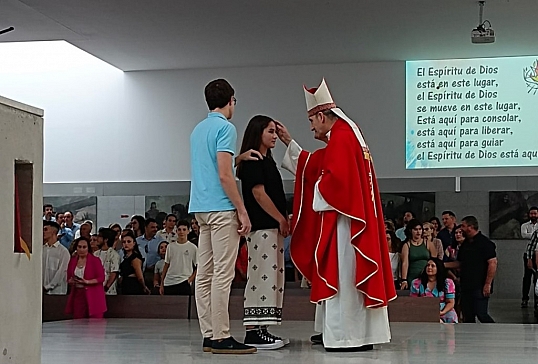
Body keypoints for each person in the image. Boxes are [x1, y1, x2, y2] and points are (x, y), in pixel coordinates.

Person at [276, 78, 396, 352]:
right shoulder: (346, 135)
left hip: (347, 225)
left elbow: (335, 182)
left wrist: (317, 188)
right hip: (352, 220)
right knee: (345, 276)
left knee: (344, 275)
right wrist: (290, 143)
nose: (311, 127)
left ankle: (346, 337)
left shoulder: (341, 137)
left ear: (321, 115)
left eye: (311, 121)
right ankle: (357, 334)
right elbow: (316, 164)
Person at [189, 79, 259, 354]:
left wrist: (237, 158)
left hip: (201, 208)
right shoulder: (226, 128)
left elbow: (213, 165)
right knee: (223, 274)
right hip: (220, 209)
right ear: (230, 100)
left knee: (204, 274)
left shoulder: (198, 130)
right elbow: (224, 174)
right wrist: (242, 210)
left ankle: (209, 334)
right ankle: (221, 335)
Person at [237, 115, 289, 349]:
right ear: (258, 133)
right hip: (262, 226)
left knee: (272, 277)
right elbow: (258, 194)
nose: (274, 136)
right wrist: (279, 217)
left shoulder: (267, 160)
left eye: (275, 132)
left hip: (272, 227)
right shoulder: (253, 160)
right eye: (270, 131)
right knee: (261, 275)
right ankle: (253, 330)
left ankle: (263, 326)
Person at [446, 216, 497, 323]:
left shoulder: (485, 243)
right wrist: (443, 265)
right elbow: (460, 262)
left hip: (480, 285)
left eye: (463, 226)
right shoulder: (465, 244)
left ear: (471, 227)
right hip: (466, 285)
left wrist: (488, 284)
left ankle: (493, 331)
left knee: (481, 313)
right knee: (467, 315)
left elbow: (492, 263)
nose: (461, 229)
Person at [65, 237, 107, 319]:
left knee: (95, 325)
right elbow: (69, 278)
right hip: (78, 295)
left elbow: (101, 278)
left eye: (84, 247)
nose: (81, 249)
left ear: (88, 248)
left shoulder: (95, 260)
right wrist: (72, 281)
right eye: (79, 247)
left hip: (93, 295)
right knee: (78, 322)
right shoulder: (73, 261)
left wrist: (87, 282)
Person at [410, 258, 458, 323]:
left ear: (438, 268)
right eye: (427, 265)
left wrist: (442, 312)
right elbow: (413, 302)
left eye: (432, 266)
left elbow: (450, 302)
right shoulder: (416, 283)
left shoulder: (448, 282)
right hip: (424, 312)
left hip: (444, 311)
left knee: (450, 320)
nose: (429, 267)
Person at [160, 220, 198, 295]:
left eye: (184, 230)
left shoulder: (193, 248)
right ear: (176, 231)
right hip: (169, 282)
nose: (181, 232)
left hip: (184, 281)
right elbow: (166, 265)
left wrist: (190, 280)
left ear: (188, 231)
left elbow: (198, 266)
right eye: (179, 230)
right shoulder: (170, 246)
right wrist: (162, 283)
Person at [400, 219, 437, 289]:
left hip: (427, 276)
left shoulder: (428, 243)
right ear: (411, 230)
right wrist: (404, 280)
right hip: (412, 276)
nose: (418, 232)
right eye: (415, 229)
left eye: (420, 229)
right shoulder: (407, 245)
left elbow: (435, 261)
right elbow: (405, 263)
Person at [43, 220, 71, 295]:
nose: (43, 232)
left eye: (46, 229)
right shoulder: (41, 249)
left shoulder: (63, 251)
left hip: (57, 292)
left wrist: (49, 286)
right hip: (40, 292)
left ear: (53, 232)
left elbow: (62, 271)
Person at [119, 230, 151, 295]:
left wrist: (144, 287)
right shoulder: (126, 258)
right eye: (124, 242)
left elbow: (140, 276)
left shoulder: (135, 258)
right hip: (125, 284)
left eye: (129, 242)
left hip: (133, 284)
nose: (126, 244)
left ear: (134, 243)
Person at [520, 206, 538, 308]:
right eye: (531, 214)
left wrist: (531, 234)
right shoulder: (524, 225)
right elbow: (524, 235)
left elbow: (528, 235)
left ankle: (536, 300)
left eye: (535, 213)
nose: (533, 215)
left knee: (537, 279)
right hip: (528, 254)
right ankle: (525, 298)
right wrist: (535, 234)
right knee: (527, 277)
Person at [94, 227, 121, 295]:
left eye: (99, 236)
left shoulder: (114, 255)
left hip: (109, 291)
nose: (97, 238)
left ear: (106, 239)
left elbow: (114, 273)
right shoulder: (96, 254)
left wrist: (106, 287)